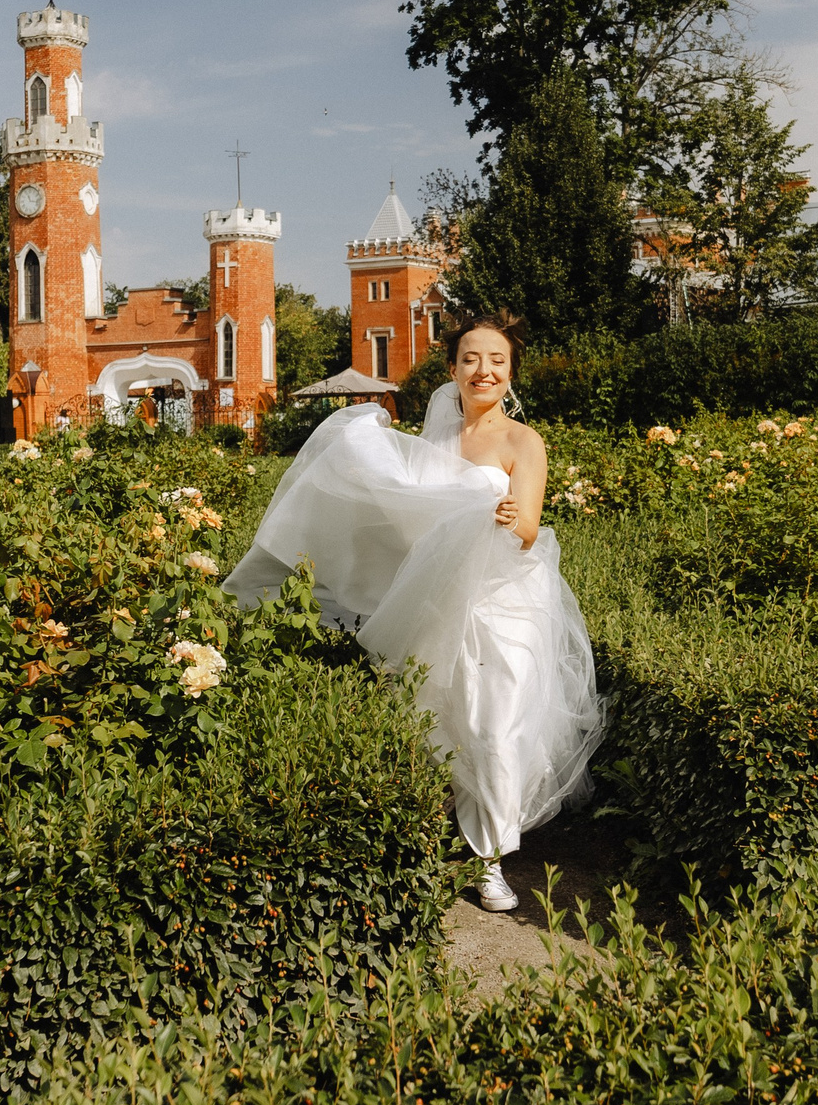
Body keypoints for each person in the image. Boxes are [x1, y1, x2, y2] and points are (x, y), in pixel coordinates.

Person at [225, 315, 603, 912]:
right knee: (441, 720)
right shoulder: (434, 443)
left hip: (504, 602)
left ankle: (489, 860)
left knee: (497, 726)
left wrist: (511, 520)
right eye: (471, 359)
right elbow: (409, 518)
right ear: (452, 369)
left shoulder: (523, 442)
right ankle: (437, 824)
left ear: (511, 373)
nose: (483, 371)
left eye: (497, 361)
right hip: (440, 595)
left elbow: (529, 528)